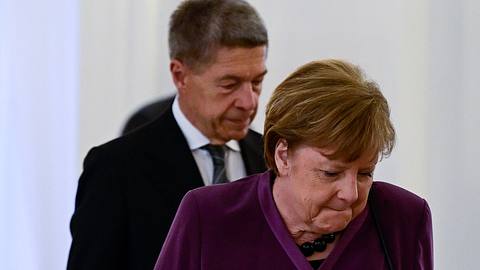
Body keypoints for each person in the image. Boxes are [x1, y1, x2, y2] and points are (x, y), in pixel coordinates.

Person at [154, 59, 433, 270]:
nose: (351, 193)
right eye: (331, 172)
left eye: (365, 173)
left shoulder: (403, 218)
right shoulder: (207, 216)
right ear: (283, 155)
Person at [67, 1, 268, 269]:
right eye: (229, 84)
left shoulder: (271, 157)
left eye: (257, 82)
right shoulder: (115, 169)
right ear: (180, 75)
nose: (249, 101)